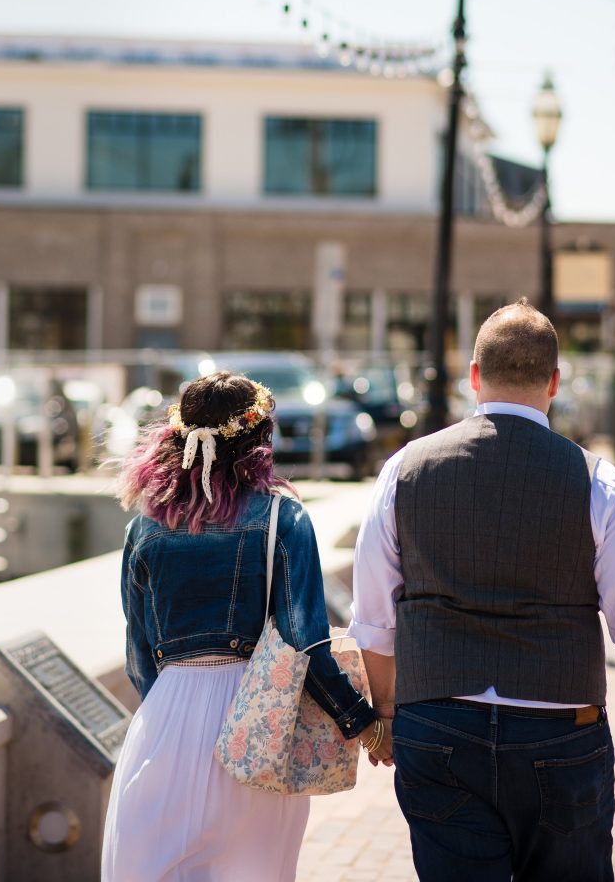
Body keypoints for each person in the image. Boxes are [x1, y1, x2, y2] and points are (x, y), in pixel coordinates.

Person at [349, 298, 615, 882]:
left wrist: (387, 712)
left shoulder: (404, 470)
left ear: (474, 377)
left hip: (440, 727)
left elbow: (373, 616)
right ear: (554, 381)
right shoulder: (597, 482)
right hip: (560, 732)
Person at [102, 370, 390, 882]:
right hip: (257, 728)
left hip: (165, 722)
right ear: (258, 441)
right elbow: (307, 645)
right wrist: (364, 726)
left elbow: (139, 652)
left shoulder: (143, 526)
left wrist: (174, 711)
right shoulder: (284, 518)